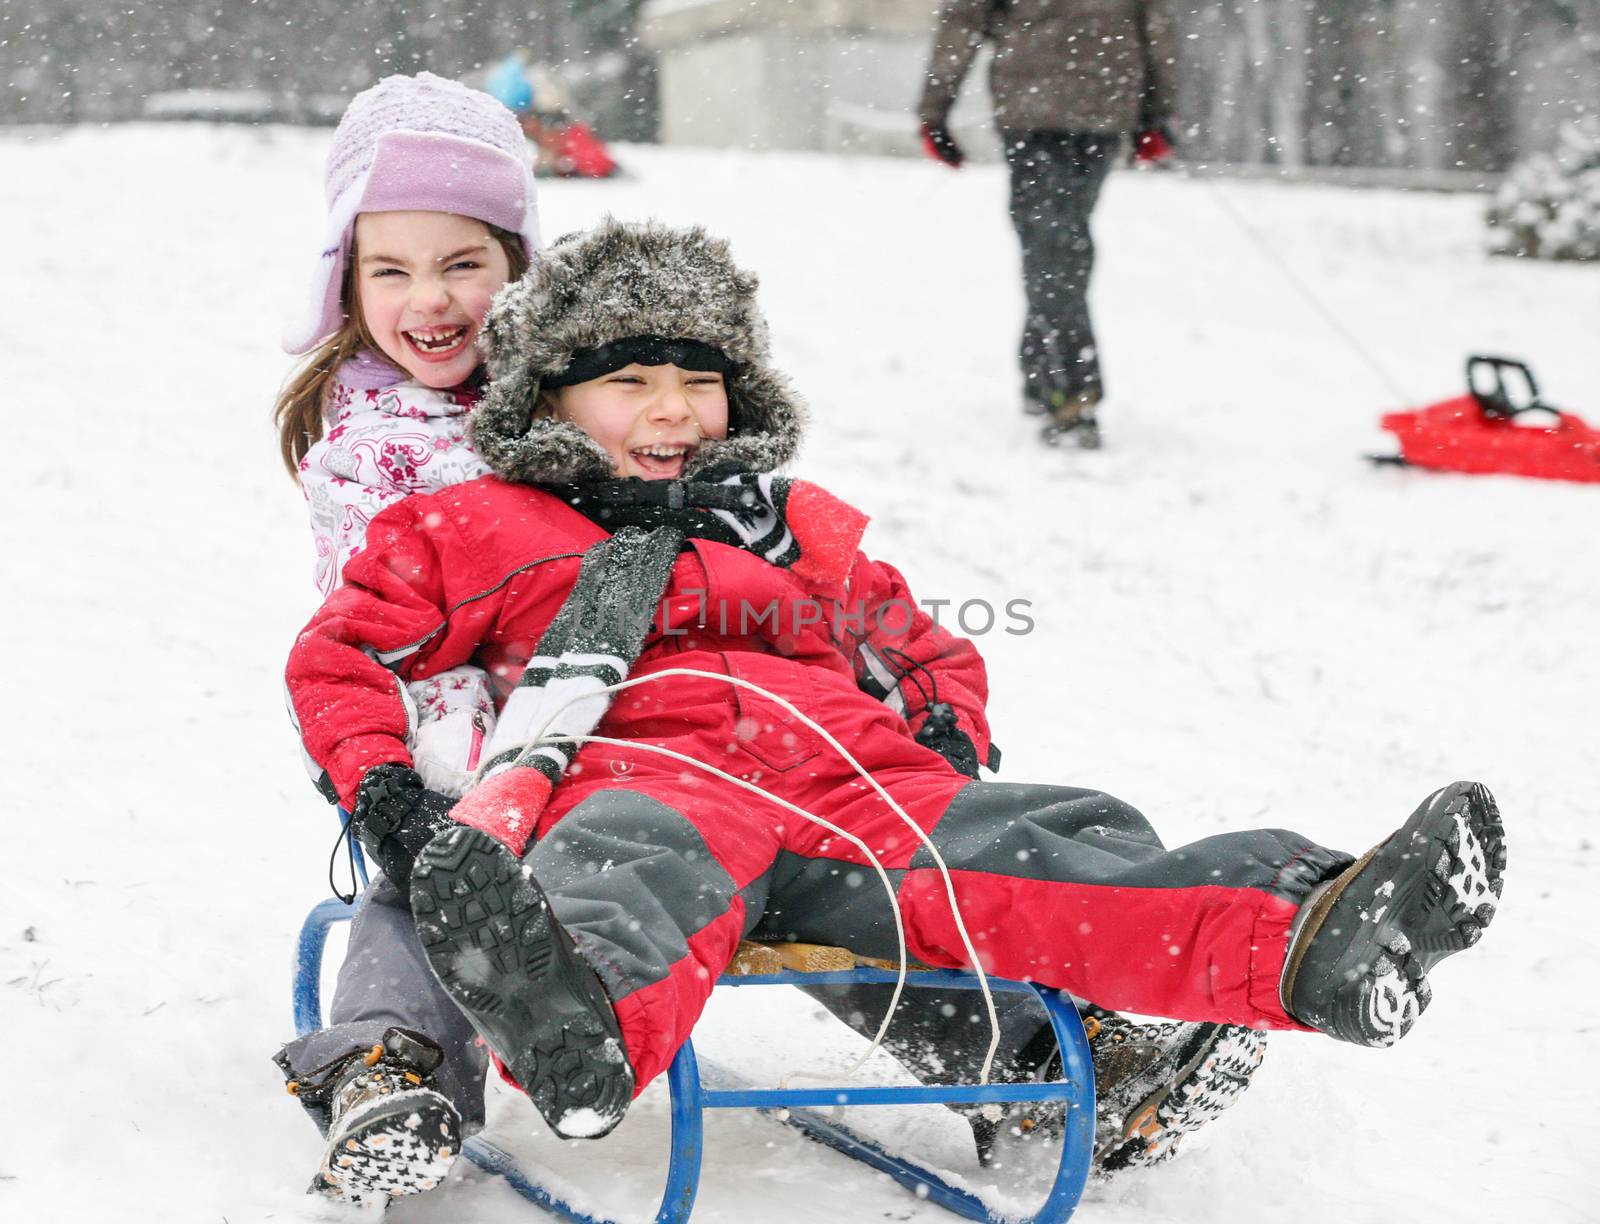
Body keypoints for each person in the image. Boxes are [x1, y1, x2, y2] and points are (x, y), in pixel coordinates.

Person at [282, 221, 1506, 1166]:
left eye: (698, 383)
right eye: (629, 382)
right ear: (545, 401)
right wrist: (385, 790)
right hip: (644, 778)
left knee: (1047, 845)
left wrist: (940, 728)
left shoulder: (791, 530)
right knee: (621, 879)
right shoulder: (473, 524)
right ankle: (576, 1025)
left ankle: (1301, 935)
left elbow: (923, 643)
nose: (671, 412)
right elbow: (338, 655)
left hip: (859, 782)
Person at [268, 70, 538, 1203]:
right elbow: (379, 637)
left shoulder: (594, 396)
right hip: (426, 724)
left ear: (520, 269)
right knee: (438, 872)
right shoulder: (367, 446)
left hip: (610, 718)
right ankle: (388, 1064)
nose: (431, 298)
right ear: (349, 281)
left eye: (463, 263)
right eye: (393, 270)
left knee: (790, 856)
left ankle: (1005, 1040)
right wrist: (404, 785)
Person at [917, 0, 1180, 448]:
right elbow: (1155, 28)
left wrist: (935, 110)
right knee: (1061, 243)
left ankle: (1070, 389)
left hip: (1034, 108)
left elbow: (963, 20)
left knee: (1052, 246)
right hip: (1102, 104)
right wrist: (1156, 113)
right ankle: (1045, 372)